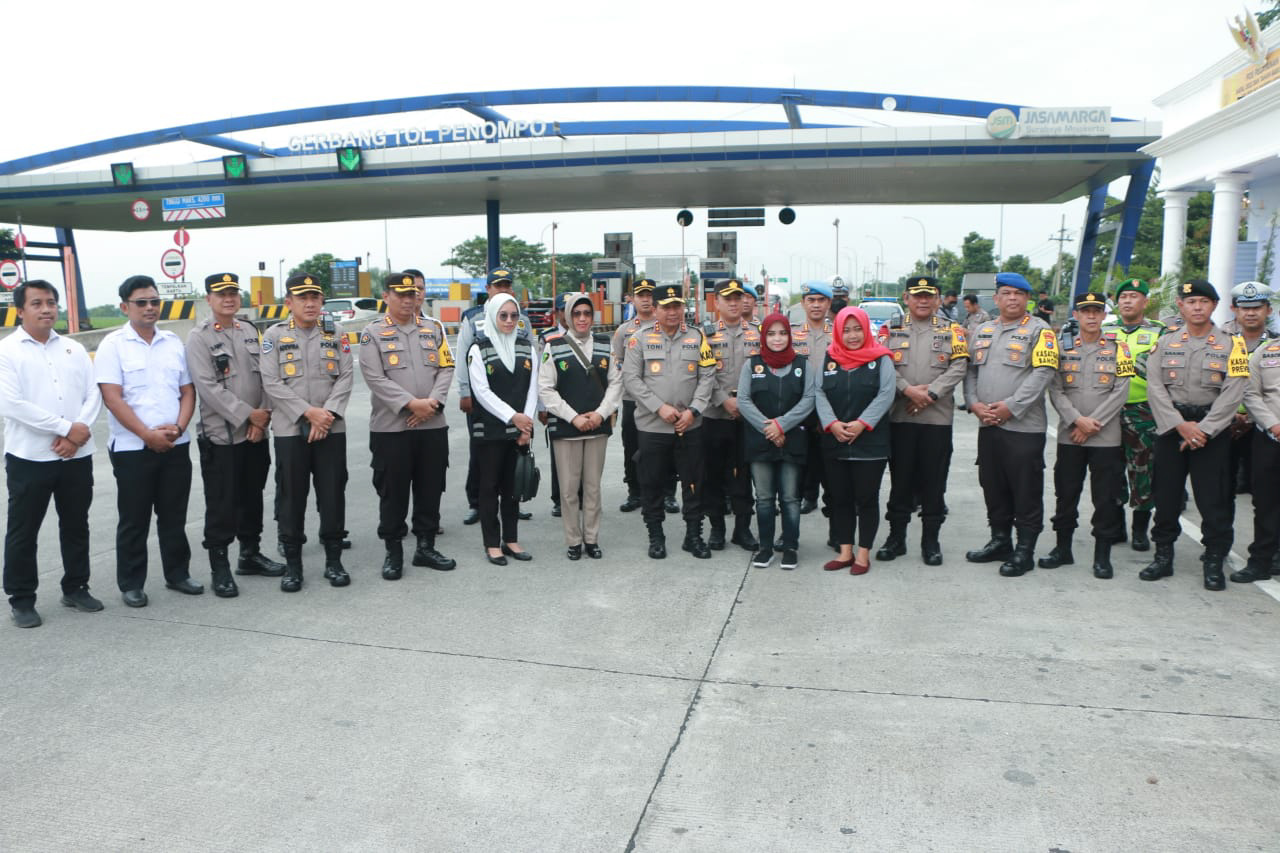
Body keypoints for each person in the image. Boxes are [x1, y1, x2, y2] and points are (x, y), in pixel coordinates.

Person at [0, 280, 102, 628]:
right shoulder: (7, 351)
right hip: (30, 458)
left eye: (51, 302)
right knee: (23, 530)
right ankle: (21, 599)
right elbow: (11, 404)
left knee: (76, 525)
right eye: (37, 303)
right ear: (20, 310)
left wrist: (77, 433)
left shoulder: (73, 349)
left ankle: (76, 587)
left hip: (76, 456)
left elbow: (93, 394)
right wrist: (66, 428)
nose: (46, 309)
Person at [95, 274, 200, 607]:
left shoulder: (172, 343)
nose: (150, 307)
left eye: (154, 301)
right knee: (134, 519)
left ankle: (178, 574)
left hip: (175, 444)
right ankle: (131, 583)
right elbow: (112, 397)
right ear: (125, 307)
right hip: (132, 450)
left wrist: (179, 428)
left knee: (174, 515)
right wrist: (146, 434)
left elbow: (187, 391)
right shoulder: (113, 345)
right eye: (141, 302)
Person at [1141, 279, 1249, 591]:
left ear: (1214, 305)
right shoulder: (1165, 342)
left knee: (1214, 499)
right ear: (1181, 306)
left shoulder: (1233, 345)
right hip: (1172, 428)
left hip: (1211, 431)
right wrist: (1180, 425)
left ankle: (1213, 560)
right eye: (1191, 302)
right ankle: (1163, 556)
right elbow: (1155, 387)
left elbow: (1234, 391)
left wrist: (1204, 429)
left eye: (1203, 301)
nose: (1197, 307)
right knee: (1166, 496)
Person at [186, 273, 284, 599]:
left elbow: (267, 377)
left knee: (252, 497)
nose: (228, 299)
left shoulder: (249, 331)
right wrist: (247, 415)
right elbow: (208, 388)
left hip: (255, 433)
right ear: (209, 299)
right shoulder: (199, 338)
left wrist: (262, 418)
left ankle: (249, 554)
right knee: (222, 503)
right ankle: (220, 567)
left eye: (233, 293)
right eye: (221, 294)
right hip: (222, 437)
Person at [360, 273, 457, 580]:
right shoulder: (373, 333)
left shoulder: (433, 328)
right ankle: (394, 552)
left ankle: (426, 547)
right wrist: (411, 404)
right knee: (393, 491)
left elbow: (447, 367)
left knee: (431, 487)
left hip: (432, 424)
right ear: (386, 297)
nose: (407, 300)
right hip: (392, 428)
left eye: (412, 294)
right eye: (400, 294)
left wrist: (432, 404)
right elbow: (374, 377)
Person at [260, 273, 354, 592]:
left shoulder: (335, 332)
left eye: (315, 297)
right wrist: (308, 413)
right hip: (290, 430)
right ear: (289, 302)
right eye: (303, 298)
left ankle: (334, 561)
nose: (310, 303)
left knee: (332, 494)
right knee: (291, 497)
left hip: (331, 427)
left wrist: (326, 415)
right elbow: (271, 382)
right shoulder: (274, 335)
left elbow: (345, 377)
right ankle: (293, 566)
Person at [962, 272, 1059, 577]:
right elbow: (971, 371)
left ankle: (1025, 550)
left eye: (1019, 293)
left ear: (1028, 298)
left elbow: (1043, 374)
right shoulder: (984, 329)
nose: (1012, 298)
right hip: (988, 424)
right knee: (993, 485)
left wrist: (1011, 407)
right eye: (1006, 293)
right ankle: (1000, 541)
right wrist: (974, 403)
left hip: (1023, 427)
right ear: (997, 298)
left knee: (1025, 489)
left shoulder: (1040, 331)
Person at [877, 277, 969, 565]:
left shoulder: (953, 330)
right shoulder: (889, 329)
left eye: (929, 295)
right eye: (917, 295)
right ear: (906, 298)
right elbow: (881, 364)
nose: (923, 300)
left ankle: (931, 541)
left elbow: (960, 366)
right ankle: (896, 538)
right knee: (900, 481)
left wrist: (930, 393)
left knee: (934, 483)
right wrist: (907, 390)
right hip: (900, 416)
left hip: (936, 419)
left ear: (937, 299)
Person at [1043, 292, 1134, 579]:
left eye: (1097, 311)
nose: (1092, 316)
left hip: (1105, 437)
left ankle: (1102, 556)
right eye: (1086, 311)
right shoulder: (1061, 348)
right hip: (1070, 435)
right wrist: (1077, 421)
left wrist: (1092, 424)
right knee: (1066, 493)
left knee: (1105, 498)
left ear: (1104, 315)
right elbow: (1055, 389)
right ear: (1077, 315)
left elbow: (1121, 391)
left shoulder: (1120, 349)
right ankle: (1062, 549)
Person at [622, 284, 717, 559]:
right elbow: (631, 379)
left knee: (693, 483)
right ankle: (656, 537)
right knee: (652, 484)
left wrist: (694, 411)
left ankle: (693, 536)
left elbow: (707, 376)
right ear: (655, 309)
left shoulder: (697, 337)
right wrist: (659, 407)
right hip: (653, 427)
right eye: (666, 307)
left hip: (690, 425)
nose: (673, 312)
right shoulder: (639, 339)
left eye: (677, 306)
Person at [539, 292, 622, 559]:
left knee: (593, 488)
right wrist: (573, 417)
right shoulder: (553, 346)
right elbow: (546, 388)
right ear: (568, 316)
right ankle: (574, 540)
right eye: (577, 314)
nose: (582, 318)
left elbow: (616, 383)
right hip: (566, 429)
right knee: (568, 489)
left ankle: (592, 539)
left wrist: (600, 414)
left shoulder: (605, 344)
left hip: (597, 427)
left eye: (587, 313)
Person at [814, 306, 895, 574]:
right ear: (838, 332)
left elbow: (886, 394)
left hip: (870, 443)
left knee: (866, 499)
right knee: (840, 499)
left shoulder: (881, 359)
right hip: (835, 440)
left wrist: (862, 423)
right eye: (846, 330)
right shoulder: (829, 358)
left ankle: (863, 555)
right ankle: (845, 552)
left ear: (866, 330)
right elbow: (819, 393)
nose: (852, 335)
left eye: (858, 329)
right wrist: (832, 423)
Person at [738, 312, 815, 570]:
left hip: (793, 440)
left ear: (790, 336)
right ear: (763, 337)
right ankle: (766, 548)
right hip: (760, 441)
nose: (777, 338)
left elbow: (809, 399)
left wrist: (782, 425)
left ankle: (790, 547)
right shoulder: (752, 365)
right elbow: (744, 401)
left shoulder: (803, 365)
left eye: (782, 333)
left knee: (790, 498)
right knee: (764, 498)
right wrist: (768, 428)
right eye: (771, 334)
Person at [456, 269, 534, 526]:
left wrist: (535, 405)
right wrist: (465, 391)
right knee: (482, 455)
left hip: (516, 398)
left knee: (515, 454)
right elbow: (463, 356)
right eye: (497, 285)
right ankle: (476, 503)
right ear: (487, 288)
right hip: (484, 400)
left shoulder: (521, 318)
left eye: (506, 285)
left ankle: (513, 499)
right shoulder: (473, 317)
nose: (503, 289)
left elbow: (532, 358)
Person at [468, 292, 538, 564]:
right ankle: (491, 543)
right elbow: (481, 392)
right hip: (490, 431)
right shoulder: (478, 349)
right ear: (492, 317)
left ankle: (511, 540)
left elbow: (533, 389)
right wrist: (513, 417)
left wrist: (526, 425)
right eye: (503, 315)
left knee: (513, 487)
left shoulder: (527, 347)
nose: (509, 321)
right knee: (489, 487)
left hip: (519, 432)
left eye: (513, 316)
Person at [1100, 279, 1166, 552]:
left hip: (1143, 410)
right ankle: (1115, 527)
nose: (1128, 301)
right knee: (1110, 469)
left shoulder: (1160, 331)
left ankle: (1140, 530)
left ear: (1145, 302)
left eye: (1134, 296)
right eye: (1123, 296)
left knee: (1143, 469)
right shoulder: (1104, 330)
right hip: (1107, 409)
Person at [702, 279, 761, 551]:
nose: (735, 303)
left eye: (738, 298)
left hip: (747, 418)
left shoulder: (758, 334)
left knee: (743, 476)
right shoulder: (705, 335)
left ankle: (742, 528)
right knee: (713, 475)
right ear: (717, 302)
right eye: (728, 299)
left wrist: (745, 405)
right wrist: (724, 400)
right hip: (715, 416)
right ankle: (717, 528)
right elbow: (703, 374)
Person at [613, 279, 675, 513]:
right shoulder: (624, 331)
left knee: (667, 447)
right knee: (632, 446)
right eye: (641, 295)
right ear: (633, 299)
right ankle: (635, 492)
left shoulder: (669, 327)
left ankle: (668, 493)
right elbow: (618, 364)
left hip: (664, 401)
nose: (646, 300)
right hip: (633, 399)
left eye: (650, 295)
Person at [1221, 281, 1274, 495]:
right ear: (1234, 310)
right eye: (1245, 308)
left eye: (1257, 308)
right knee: (1221, 491)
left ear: (1268, 310)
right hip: (1225, 424)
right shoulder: (1220, 344)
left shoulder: (1276, 345)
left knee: (1264, 493)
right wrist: (1233, 414)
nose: (1251, 313)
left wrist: (1252, 418)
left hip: (1265, 428)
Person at [1237, 332, 1280, 583]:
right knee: (1265, 503)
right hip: (1270, 438)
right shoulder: (1266, 352)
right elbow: (1251, 393)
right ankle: (1261, 561)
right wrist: (1273, 425)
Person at [792, 281, 834, 518]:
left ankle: (834, 511)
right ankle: (807, 498)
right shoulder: (790, 333)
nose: (816, 305)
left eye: (821, 300)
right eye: (811, 300)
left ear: (828, 303)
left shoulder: (839, 333)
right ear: (803, 303)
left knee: (830, 465)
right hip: (800, 409)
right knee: (802, 462)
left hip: (832, 410)